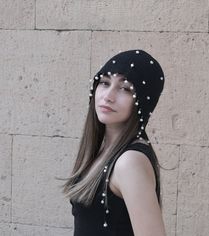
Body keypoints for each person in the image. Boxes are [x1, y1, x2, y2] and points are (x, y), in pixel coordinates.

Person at [62, 49, 166, 236]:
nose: (108, 96)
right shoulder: (104, 151)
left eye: (125, 88)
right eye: (104, 83)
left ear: (142, 101)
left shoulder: (129, 162)